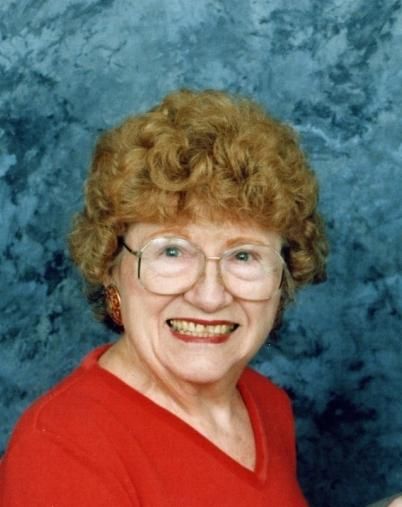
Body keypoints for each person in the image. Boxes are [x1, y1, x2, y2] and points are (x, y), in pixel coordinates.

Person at [0, 89, 328, 505]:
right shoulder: (62, 451)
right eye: (172, 252)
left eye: (244, 255)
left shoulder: (267, 404)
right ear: (110, 266)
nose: (210, 296)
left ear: (284, 277)